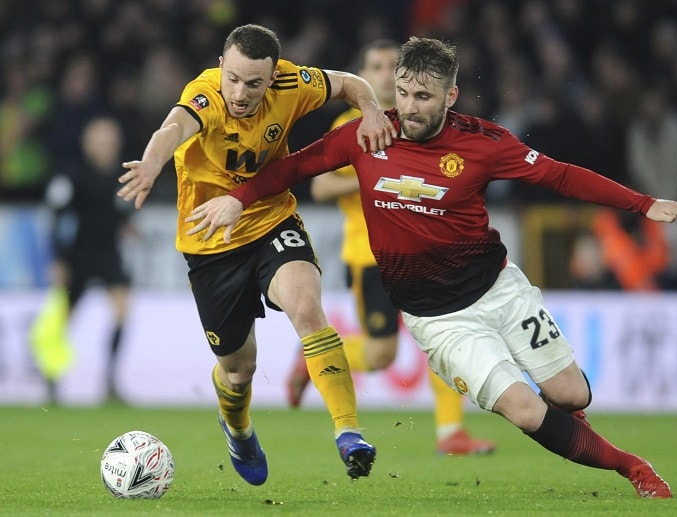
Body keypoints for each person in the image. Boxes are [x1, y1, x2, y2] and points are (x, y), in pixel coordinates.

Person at [186, 37, 677, 498]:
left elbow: (560, 177)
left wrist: (643, 204)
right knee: (527, 412)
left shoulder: (485, 144)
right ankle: (633, 468)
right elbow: (293, 168)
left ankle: (575, 430)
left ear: (450, 97)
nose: (409, 109)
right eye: (403, 93)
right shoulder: (367, 135)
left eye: (424, 97)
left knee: (572, 395)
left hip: (499, 288)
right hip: (438, 319)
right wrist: (239, 199)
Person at [116, 24, 397, 484]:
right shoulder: (204, 94)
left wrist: (369, 110)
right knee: (239, 368)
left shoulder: (293, 83)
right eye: (234, 78)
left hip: (270, 218)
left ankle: (349, 433)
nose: (240, 93)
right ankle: (239, 427)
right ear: (221, 66)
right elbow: (173, 128)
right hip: (210, 241)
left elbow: (350, 82)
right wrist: (150, 163)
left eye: (253, 83)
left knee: (307, 306)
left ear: (272, 78)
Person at [288, 38, 494, 455]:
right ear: (362, 76)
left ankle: (451, 432)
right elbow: (321, 184)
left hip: (427, 251)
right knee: (382, 354)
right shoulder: (351, 122)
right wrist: (371, 177)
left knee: (446, 335)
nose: (384, 74)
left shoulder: (423, 123)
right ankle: (314, 359)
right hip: (371, 256)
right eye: (376, 66)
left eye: (391, 66)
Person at [29, 115, 132, 403]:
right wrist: (58, 259)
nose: (106, 145)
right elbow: (55, 216)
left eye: (110, 140)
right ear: (87, 142)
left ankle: (110, 381)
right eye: (100, 139)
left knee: (123, 310)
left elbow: (119, 211)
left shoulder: (122, 174)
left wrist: (127, 226)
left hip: (109, 254)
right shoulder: (71, 174)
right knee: (65, 319)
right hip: (78, 257)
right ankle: (51, 377)